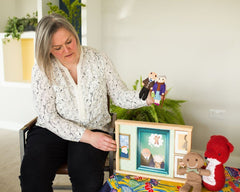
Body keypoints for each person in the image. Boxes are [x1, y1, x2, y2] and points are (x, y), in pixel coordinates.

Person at [19, 13, 153, 192]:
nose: (67, 50)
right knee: (32, 177)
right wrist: (89, 137)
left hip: (94, 126)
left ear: (75, 35)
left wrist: (146, 98)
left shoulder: (98, 59)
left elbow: (119, 95)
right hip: (52, 129)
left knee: (87, 179)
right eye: (57, 47)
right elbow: (48, 117)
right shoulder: (42, 67)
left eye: (69, 41)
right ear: (47, 49)